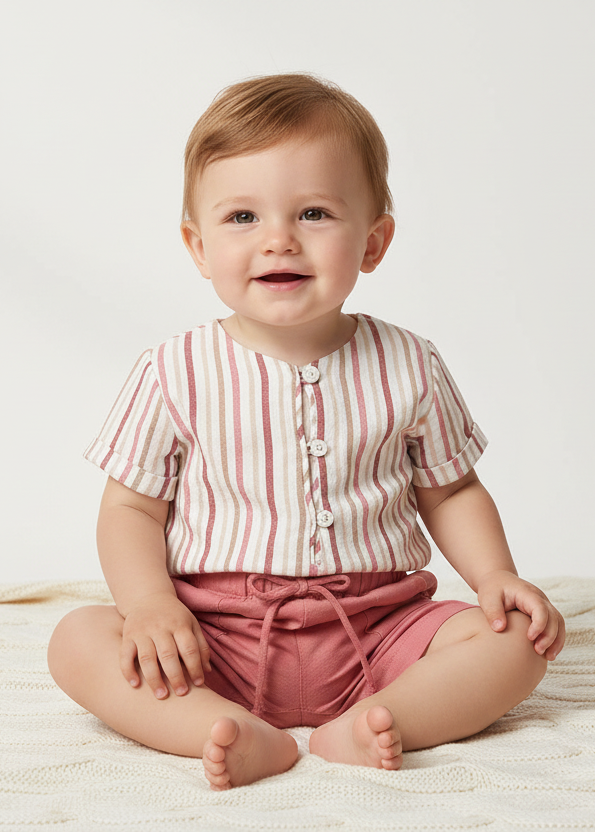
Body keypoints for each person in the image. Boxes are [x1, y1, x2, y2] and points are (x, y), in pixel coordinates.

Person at [47, 73, 565, 791]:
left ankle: (380, 719)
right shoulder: (173, 370)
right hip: (214, 638)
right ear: (197, 248)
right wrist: (150, 606)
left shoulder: (410, 362)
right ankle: (220, 729)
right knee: (78, 641)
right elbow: (132, 506)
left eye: (314, 212)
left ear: (373, 241)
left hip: (379, 629)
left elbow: (451, 490)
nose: (278, 240)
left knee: (519, 644)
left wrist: (494, 577)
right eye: (241, 218)